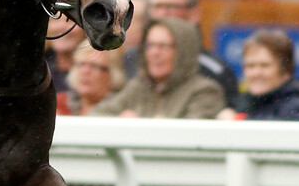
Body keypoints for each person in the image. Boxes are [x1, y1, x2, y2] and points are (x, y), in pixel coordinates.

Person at [89, 17, 225, 118]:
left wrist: (139, 128)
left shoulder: (204, 91)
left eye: (163, 46)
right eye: (150, 46)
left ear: (184, 52)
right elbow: (95, 116)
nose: (154, 53)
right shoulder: (139, 86)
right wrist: (119, 121)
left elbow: (192, 138)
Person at [146, 0, 240, 108]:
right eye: (157, 7)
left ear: (194, 14)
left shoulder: (214, 71)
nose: (162, 14)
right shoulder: (134, 59)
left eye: (170, 7)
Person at [218, 30, 299, 121]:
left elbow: (280, 136)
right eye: (250, 66)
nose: (256, 73)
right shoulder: (242, 102)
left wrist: (237, 121)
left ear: (285, 70)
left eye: (264, 65)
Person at [57, 40, 126, 116]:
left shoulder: (121, 111)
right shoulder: (58, 104)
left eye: (94, 66)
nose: (85, 71)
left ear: (112, 74)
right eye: (81, 64)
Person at [45, 17, 87, 93]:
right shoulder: (36, 66)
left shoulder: (97, 68)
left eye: (70, 20)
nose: (61, 27)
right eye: (55, 19)